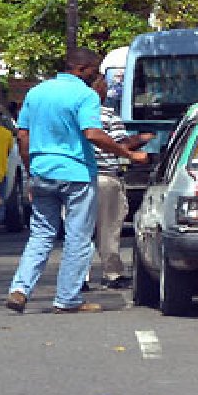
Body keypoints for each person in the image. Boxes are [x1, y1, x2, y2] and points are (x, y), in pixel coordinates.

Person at [5, 48, 150, 314]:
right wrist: (128, 153)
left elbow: (23, 136)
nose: (96, 75)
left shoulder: (36, 92)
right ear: (82, 69)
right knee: (78, 237)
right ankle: (67, 298)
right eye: (94, 70)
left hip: (42, 171)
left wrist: (30, 173)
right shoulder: (85, 95)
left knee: (41, 234)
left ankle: (20, 289)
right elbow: (93, 134)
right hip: (76, 174)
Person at [88, 75, 153, 289]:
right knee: (108, 228)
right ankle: (112, 273)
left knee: (79, 230)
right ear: (99, 90)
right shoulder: (106, 114)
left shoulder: (69, 114)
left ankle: (78, 277)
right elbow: (121, 144)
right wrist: (141, 139)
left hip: (76, 178)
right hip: (105, 177)